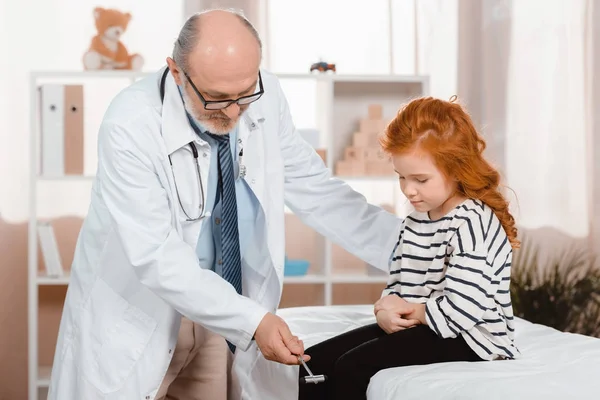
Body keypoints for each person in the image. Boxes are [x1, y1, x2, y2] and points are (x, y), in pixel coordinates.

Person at [47, 8, 401, 400]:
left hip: (216, 314)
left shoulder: (267, 97)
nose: (234, 111)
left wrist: (420, 250)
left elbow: (318, 191)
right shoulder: (130, 125)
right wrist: (253, 321)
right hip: (137, 318)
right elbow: (155, 255)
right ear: (177, 72)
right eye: (217, 99)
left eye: (246, 93)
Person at [298, 96, 522, 400]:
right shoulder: (416, 221)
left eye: (420, 179)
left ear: (457, 169)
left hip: (469, 336)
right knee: (313, 362)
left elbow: (464, 309)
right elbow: (399, 283)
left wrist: (411, 312)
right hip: (422, 322)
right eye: (401, 177)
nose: (408, 190)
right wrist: (384, 310)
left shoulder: (473, 222)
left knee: (352, 366)